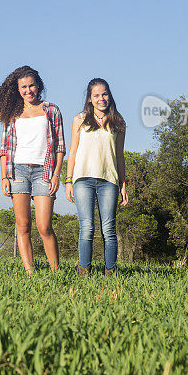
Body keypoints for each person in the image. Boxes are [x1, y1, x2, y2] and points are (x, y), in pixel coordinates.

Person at [0, 66, 65, 274]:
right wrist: (5, 176)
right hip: (18, 171)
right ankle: (29, 272)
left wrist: (56, 174)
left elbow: (60, 146)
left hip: (44, 171)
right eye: (23, 87)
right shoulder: (12, 114)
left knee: (44, 226)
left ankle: (55, 272)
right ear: (17, 89)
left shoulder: (51, 110)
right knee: (23, 225)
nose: (28, 90)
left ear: (38, 85)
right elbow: (5, 148)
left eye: (31, 85)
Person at [64, 78, 128, 276]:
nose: (101, 99)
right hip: (83, 179)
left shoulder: (119, 122)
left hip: (109, 181)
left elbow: (120, 156)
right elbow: (73, 151)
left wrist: (123, 185)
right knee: (87, 227)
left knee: (109, 229)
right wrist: (68, 180)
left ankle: (111, 272)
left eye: (105, 94)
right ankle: (84, 270)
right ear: (90, 99)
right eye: (96, 95)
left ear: (110, 95)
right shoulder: (79, 119)